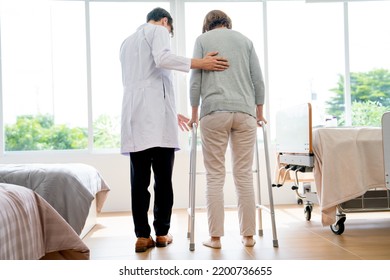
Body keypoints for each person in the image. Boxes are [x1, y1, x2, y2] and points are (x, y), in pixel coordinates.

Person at [119, 7, 229, 253]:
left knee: (138, 182)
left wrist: (172, 109)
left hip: (135, 118)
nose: (168, 34)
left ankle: (141, 236)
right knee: (162, 181)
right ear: (165, 21)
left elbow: (146, 81)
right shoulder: (158, 30)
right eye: (170, 30)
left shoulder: (126, 43)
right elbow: (162, 59)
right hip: (156, 123)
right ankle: (161, 233)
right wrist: (201, 63)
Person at [188, 10, 266, 249]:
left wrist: (194, 115)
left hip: (214, 112)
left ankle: (215, 238)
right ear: (228, 24)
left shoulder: (202, 41)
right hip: (245, 114)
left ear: (207, 26)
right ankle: (249, 236)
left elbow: (195, 80)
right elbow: (258, 80)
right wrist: (259, 112)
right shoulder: (245, 41)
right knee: (243, 175)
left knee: (215, 176)